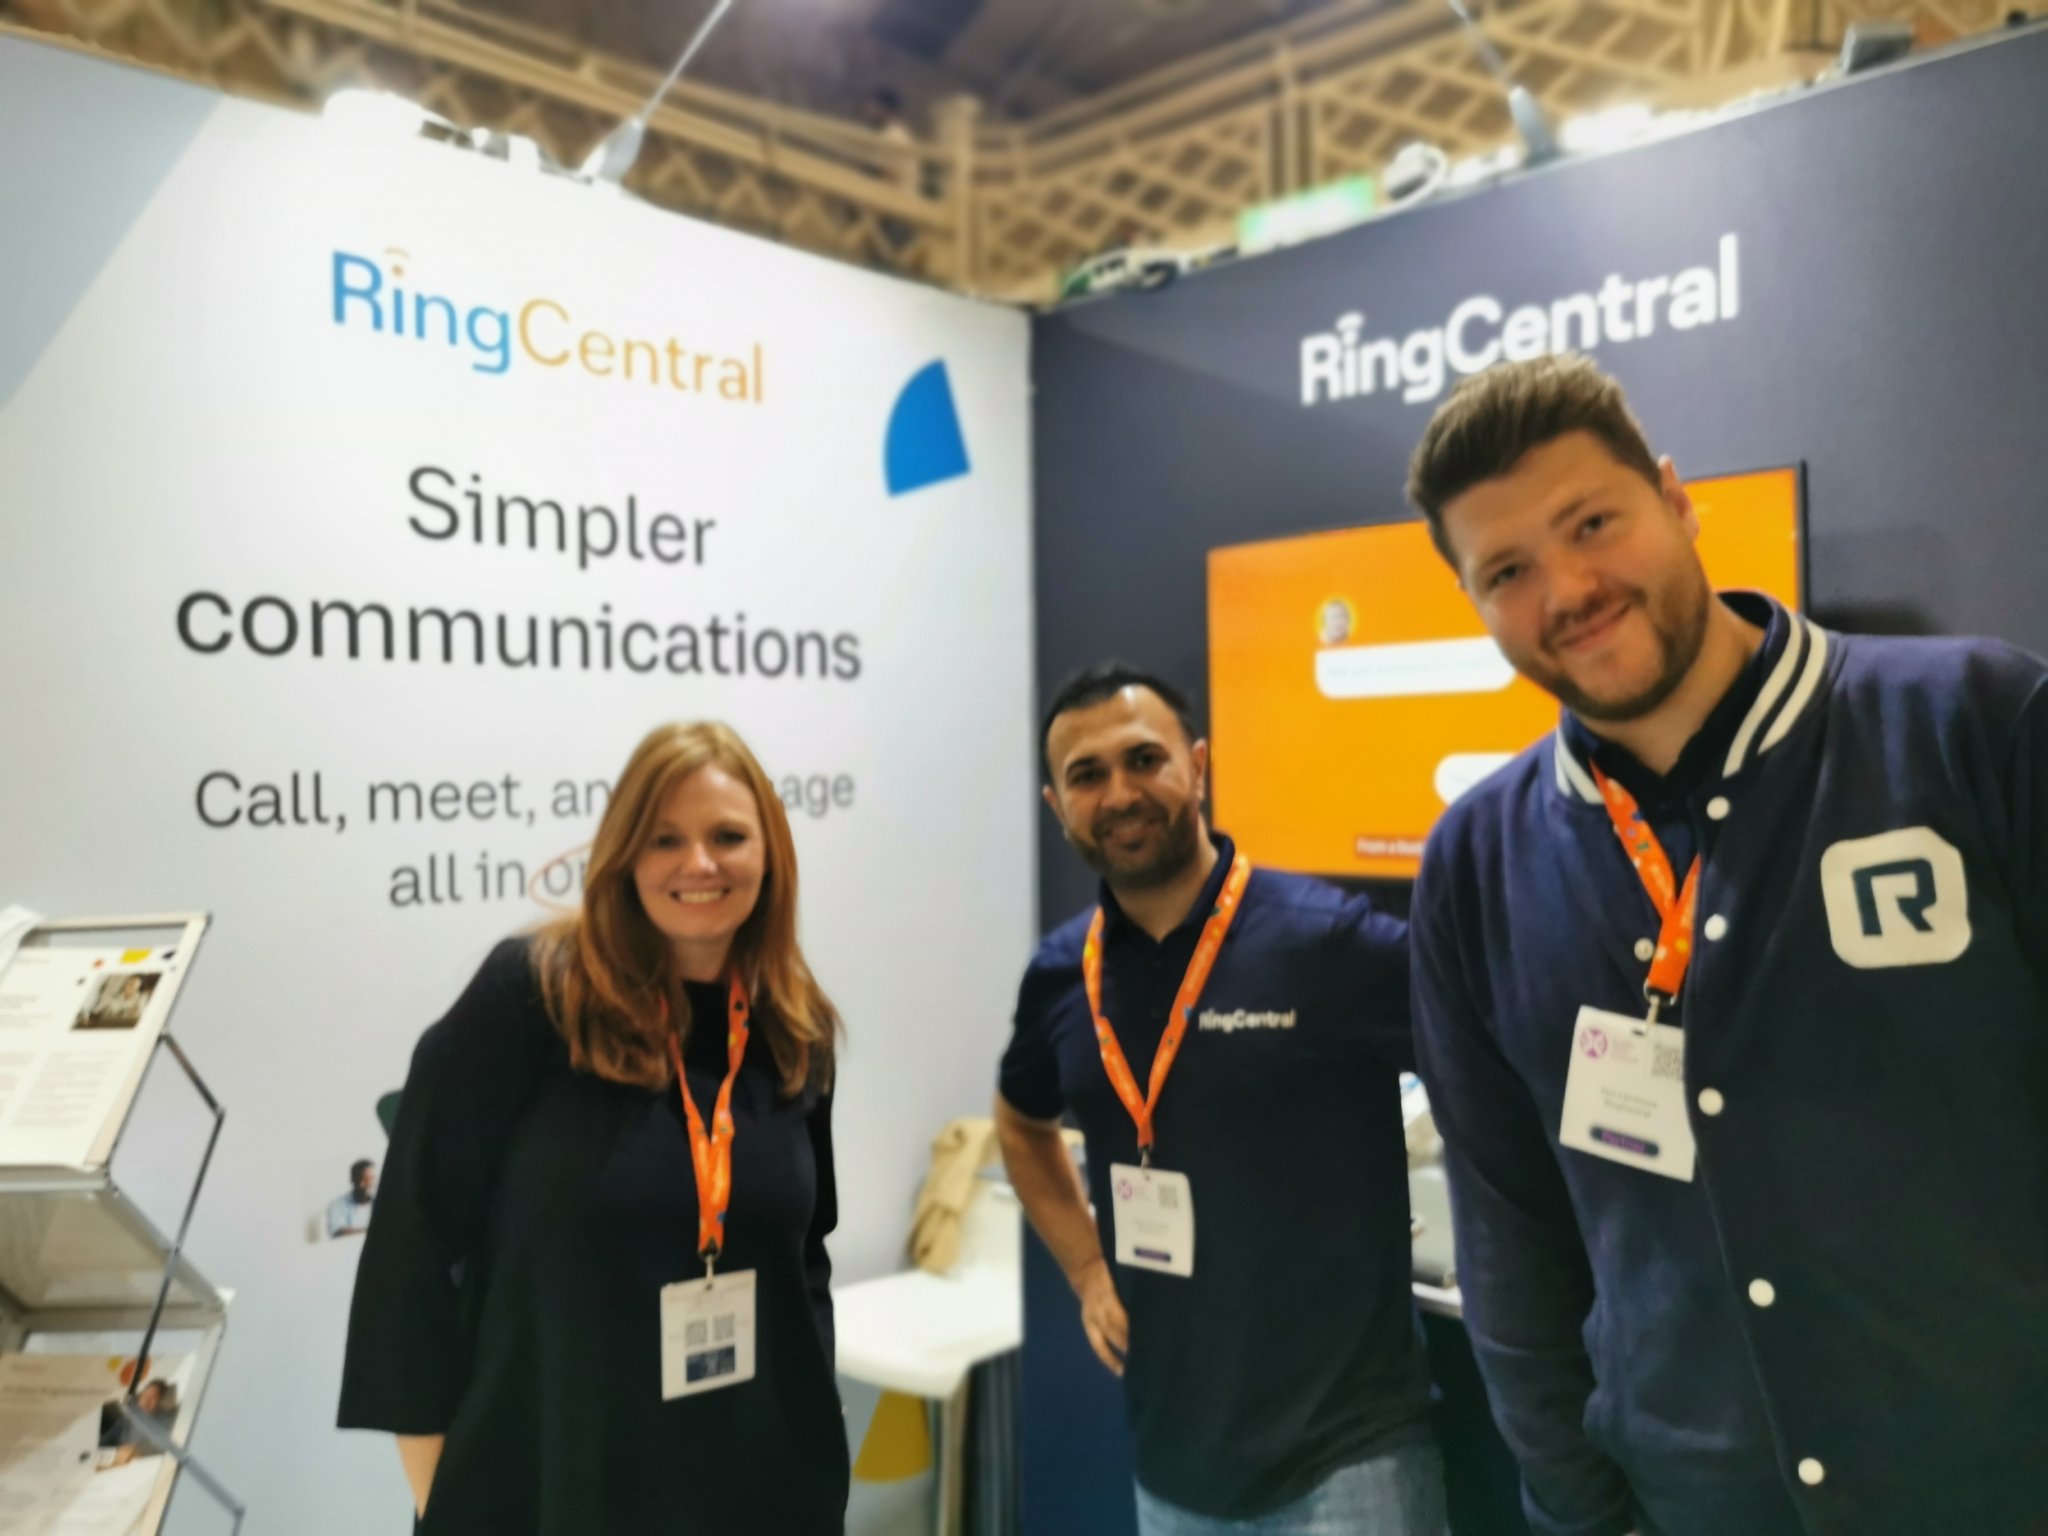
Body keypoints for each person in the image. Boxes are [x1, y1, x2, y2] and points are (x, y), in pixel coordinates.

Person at [1404, 353, 2048, 1536]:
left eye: (1589, 522)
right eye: (1506, 570)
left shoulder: (1973, 725)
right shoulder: (1473, 868)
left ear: (1673, 497)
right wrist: (1588, 1513)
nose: (1567, 587)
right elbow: (1510, 1246)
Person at [339, 722, 848, 1534]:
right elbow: (413, 1244)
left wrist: (815, 1465)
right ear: (623, 856)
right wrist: (447, 1496)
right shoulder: (536, 995)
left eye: (728, 836)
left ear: (771, 854)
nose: (699, 864)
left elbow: (804, 1260)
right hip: (555, 1489)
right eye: (665, 839)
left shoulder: (795, 1027)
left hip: (754, 1493)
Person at [996, 663, 1443, 1536]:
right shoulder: (1061, 974)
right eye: (1087, 776)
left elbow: (1498, 1067)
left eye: (1143, 759)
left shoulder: (1328, 942)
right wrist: (1088, 1270)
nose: (1120, 793)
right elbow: (1021, 1124)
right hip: (1172, 1457)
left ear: (1197, 765)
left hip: (1351, 1454)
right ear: (1057, 805)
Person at [327, 1160, 377, 1238]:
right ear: (352, 1180)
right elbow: (337, 1232)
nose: (363, 1185)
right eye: (361, 1179)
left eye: (370, 1179)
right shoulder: (337, 1204)